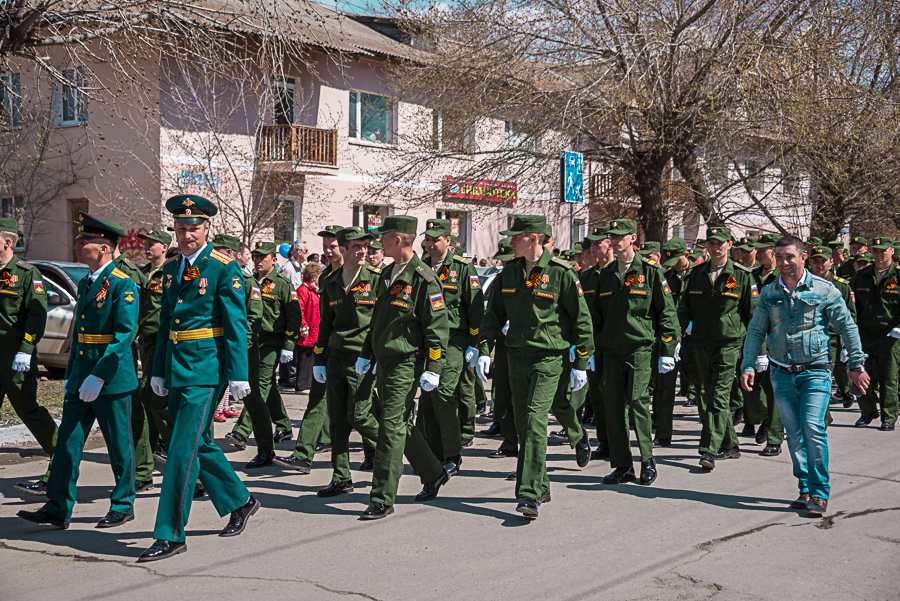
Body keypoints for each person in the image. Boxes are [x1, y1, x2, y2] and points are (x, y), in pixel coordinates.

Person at [140, 195, 258, 562]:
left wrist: (238, 374)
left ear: (207, 228)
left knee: (180, 450)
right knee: (197, 444)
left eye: (193, 228)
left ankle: (170, 533)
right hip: (177, 367)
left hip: (206, 369)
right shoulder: (173, 270)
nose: (186, 234)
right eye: (180, 228)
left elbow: (236, 323)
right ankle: (240, 500)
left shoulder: (223, 268)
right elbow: (165, 326)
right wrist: (158, 368)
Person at [18, 213, 139, 530]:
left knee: (119, 447)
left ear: (103, 248)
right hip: (80, 378)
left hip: (110, 380)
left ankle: (123, 505)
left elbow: (124, 336)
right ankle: (58, 507)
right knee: (67, 444)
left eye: (83, 241)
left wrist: (98, 375)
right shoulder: (87, 282)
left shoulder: (123, 285)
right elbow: (80, 335)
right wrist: (73, 375)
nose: (76, 245)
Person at [741, 235, 869, 517]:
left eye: (790, 256)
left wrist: (856, 365)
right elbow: (755, 330)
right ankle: (805, 489)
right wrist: (748, 364)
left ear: (803, 257)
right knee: (795, 435)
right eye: (779, 256)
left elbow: (847, 327)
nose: (784, 262)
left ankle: (820, 492)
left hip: (816, 371)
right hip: (781, 372)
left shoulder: (825, 290)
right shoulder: (769, 292)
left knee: (812, 426)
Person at [476, 215, 593, 518]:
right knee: (522, 423)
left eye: (516, 237)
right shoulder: (510, 273)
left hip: (548, 358)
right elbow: (493, 317)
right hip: (516, 357)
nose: (511, 241)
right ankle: (541, 485)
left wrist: (581, 361)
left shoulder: (561, 273)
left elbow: (582, 320)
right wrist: (485, 349)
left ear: (533, 238)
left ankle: (528, 494)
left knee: (534, 419)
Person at [355, 215, 452, 519]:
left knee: (390, 426)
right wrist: (368, 353)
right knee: (399, 424)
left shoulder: (423, 278)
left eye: (382, 237)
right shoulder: (386, 273)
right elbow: (379, 321)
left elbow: (437, 328)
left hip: (406, 363)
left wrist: (434, 366)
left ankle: (382, 496)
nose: (377, 242)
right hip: (384, 361)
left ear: (397, 240)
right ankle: (433, 471)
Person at [592, 219, 678, 486]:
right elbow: (595, 318)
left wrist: (667, 349)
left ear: (632, 238)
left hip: (640, 349)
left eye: (620, 236)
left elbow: (667, 314)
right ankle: (622, 465)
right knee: (614, 407)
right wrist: (589, 350)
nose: (615, 240)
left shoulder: (651, 273)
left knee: (638, 401)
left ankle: (647, 459)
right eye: (611, 235)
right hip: (611, 351)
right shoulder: (605, 274)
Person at [311, 226, 382, 497]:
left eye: (365, 245)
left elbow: (380, 322)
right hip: (336, 358)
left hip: (362, 358)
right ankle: (341, 476)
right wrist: (319, 359)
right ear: (342, 249)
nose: (363, 250)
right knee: (338, 421)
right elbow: (325, 325)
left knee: (361, 415)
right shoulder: (329, 282)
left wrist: (373, 355)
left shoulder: (376, 280)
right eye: (356, 246)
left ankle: (394, 448)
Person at [677, 226, 755, 471]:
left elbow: (753, 316)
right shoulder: (698, 274)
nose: (716, 247)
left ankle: (708, 450)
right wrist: (677, 336)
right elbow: (684, 308)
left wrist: (756, 351)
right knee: (710, 394)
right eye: (711, 243)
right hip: (701, 342)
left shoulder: (742, 276)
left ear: (730, 244)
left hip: (728, 344)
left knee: (718, 397)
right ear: (706, 246)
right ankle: (731, 445)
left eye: (720, 243)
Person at [273, 225, 344, 473]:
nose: (328, 251)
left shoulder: (365, 277)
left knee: (365, 412)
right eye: (325, 247)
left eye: (333, 246)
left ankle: (387, 450)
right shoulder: (325, 279)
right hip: (327, 351)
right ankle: (304, 454)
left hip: (356, 355)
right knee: (317, 400)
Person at [228, 241, 302, 467]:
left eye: (263, 257)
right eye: (256, 256)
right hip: (251, 342)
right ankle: (283, 425)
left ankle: (241, 432)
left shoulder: (282, 284)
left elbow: (294, 316)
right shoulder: (247, 281)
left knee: (258, 386)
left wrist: (289, 344)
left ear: (274, 259)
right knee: (267, 387)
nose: (258, 261)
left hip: (271, 341)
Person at [420, 218, 483, 475]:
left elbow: (475, 309)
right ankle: (433, 452)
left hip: (455, 341)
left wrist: (475, 344)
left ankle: (453, 453)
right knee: (427, 396)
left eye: (436, 239)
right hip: (425, 341)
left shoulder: (463, 269)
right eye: (428, 239)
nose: (431, 244)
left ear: (448, 240)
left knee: (444, 393)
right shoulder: (420, 268)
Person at [4, 218, 57, 498]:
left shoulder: (26, 273)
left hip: (15, 356)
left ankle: (59, 459)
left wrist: (26, 348)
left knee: (28, 410)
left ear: (7, 241)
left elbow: (36, 315)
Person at [134, 229, 173, 489]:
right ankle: (144, 469)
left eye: (152, 244)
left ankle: (180, 462)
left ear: (165, 246)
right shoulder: (141, 273)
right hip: (145, 342)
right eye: (145, 244)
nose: (147, 247)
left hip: (164, 344)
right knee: (148, 404)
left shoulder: (171, 272)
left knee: (154, 402)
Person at [850, 236, 900, 430]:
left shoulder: (898, 276)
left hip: (890, 334)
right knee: (862, 372)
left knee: (889, 376)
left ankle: (888, 416)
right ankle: (867, 410)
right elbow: (853, 305)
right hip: (864, 332)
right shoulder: (862, 275)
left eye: (883, 251)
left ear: (892, 251)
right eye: (876, 251)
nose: (879, 255)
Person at [652, 237, 695, 447]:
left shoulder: (699, 276)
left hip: (694, 339)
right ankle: (663, 433)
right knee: (664, 387)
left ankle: (715, 439)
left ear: (686, 255)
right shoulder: (665, 276)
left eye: (676, 260)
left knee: (704, 389)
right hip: (670, 338)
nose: (672, 265)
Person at [807, 245, 857, 413]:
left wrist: (847, 341)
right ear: (809, 262)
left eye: (823, 261)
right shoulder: (802, 284)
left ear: (831, 263)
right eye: (815, 261)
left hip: (832, 338)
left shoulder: (842, 287)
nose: (819, 265)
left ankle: (822, 418)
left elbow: (851, 315)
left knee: (823, 379)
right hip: (807, 337)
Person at [278, 240, 308, 387]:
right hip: (288, 309)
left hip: (298, 309)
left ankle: (293, 374)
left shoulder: (302, 267)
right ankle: (285, 377)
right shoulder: (288, 268)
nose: (307, 254)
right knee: (288, 342)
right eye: (306, 251)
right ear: (298, 252)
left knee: (296, 343)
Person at [295, 262, 323, 392]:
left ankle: (308, 383)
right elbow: (299, 309)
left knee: (311, 357)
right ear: (313, 275)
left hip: (315, 329)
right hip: (307, 330)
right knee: (304, 359)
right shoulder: (303, 290)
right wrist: (303, 326)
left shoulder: (315, 289)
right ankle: (301, 385)